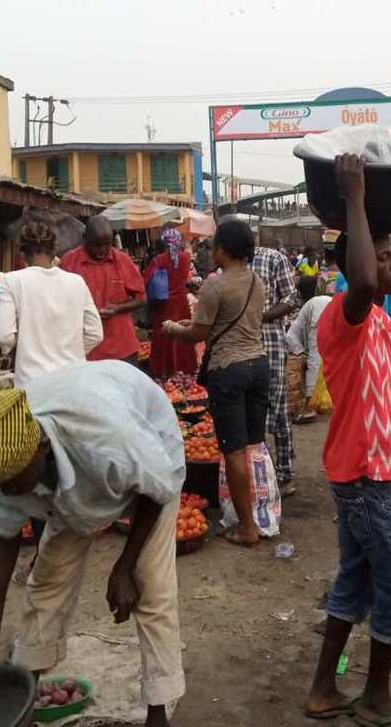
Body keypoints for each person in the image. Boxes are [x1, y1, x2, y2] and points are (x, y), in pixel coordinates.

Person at [0, 363, 185, 727]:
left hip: (152, 455)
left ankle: (158, 712)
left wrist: (124, 565)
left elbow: (157, 488)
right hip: (72, 491)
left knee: (151, 588)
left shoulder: (107, 436)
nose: (11, 493)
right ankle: (23, 693)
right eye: (4, 486)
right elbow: (3, 537)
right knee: (46, 580)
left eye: (17, 482)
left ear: (43, 447)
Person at [305, 154, 391, 726]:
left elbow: (378, 389)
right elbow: (364, 281)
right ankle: (375, 696)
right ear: (353, 266)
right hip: (369, 481)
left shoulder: (380, 322)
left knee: (353, 582)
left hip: (368, 474)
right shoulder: (340, 314)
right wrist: (353, 198)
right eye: (383, 254)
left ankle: (324, 687)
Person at [164, 217, 267, 546]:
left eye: (213, 247)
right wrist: (191, 323)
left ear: (223, 249)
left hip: (230, 368)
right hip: (258, 365)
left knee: (233, 451)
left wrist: (173, 330)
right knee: (252, 446)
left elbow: (199, 332)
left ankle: (247, 527)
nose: (211, 253)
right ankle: (261, 513)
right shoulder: (257, 282)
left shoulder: (214, 284)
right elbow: (226, 320)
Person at [0, 222, 103, 389]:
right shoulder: (77, 282)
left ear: (22, 253)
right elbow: (95, 334)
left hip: (33, 385)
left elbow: (3, 336)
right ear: (54, 251)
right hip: (74, 381)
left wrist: (22, 348)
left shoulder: (10, 281)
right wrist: (70, 352)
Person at [60, 216, 145, 365]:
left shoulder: (122, 261)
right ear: (84, 238)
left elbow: (141, 299)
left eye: (107, 244)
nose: (102, 250)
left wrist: (117, 309)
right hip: (84, 350)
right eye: (97, 245)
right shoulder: (69, 261)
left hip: (121, 348)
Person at [251, 245, 299, 495]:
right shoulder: (227, 264)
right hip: (241, 349)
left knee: (278, 410)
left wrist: (261, 317)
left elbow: (291, 298)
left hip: (269, 345)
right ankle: (261, 473)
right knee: (253, 414)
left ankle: (283, 471)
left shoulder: (273, 259)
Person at [143, 228, 198, 378]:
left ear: (164, 243)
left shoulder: (158, 260)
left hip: (163, 305)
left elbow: (146, 280)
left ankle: (164, 372)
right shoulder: (186, 258)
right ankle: (186, 370)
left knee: (164, 339)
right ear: (179, 243)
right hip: (181, 303)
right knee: (183, 337)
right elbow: (187, 279)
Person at [286, 276, 331, 425]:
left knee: (314, 358)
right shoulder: (317, 302)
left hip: (320, 315)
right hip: (335, 310)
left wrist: (301, 354)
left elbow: (290, 336)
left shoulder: (311, 304)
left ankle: (309, 407)